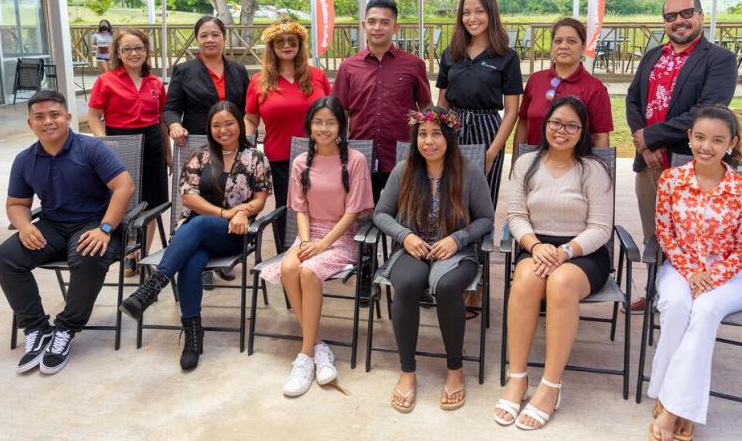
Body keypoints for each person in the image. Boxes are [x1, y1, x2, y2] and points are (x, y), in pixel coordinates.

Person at [119, 101, 271, 371]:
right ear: (209, 128)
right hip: (199, 233)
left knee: (199, 225)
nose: (223, 130)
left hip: (234, 233)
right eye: (216, 125)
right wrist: (224, 213)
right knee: (191, 260)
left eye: (229, 123)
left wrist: (240, 214)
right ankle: (192, 332)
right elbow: (188, 197)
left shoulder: (255, 158)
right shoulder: (199, 156)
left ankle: (155, 284)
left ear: (240, 124)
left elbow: (260, 197)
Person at [0, 90, 135, 374]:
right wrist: (23, 226)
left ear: (68, 118)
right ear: (30, 123)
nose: (48, 121)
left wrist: (106, 228)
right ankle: (36, 327)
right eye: (40, 117)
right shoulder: (24, 159)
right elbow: (17, 203)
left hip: (95, 223)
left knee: (88, 255)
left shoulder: (91, 149)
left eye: (55, 114)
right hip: (53, 226)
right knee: (6, 257)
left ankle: (65, 329)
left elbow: (124, 187)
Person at [494, 96, 613, 430]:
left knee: (560, 282)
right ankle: (516, 377)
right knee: (528, 277)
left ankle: (550, 385)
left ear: (582, 131)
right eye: (555, 123)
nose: (562, 131)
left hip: (583, 252)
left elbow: (601, 228)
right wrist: (534, 246)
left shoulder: (593, 169)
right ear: (544, 125)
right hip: (536, 245)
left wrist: (564, 252)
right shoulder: (525, 164)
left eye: (572, 125)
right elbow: (516, 216)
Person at [373, 107, 494, 413]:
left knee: (447, 287)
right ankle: (407, 371)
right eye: (423, 135)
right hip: (413, 249)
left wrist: (457, 239)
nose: (429, 141)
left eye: (436, 134)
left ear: (450, 137)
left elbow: (486, 219)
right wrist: (405, 236)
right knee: (408, 284)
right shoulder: (404, 170)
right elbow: (380, 214)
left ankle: (455, 369)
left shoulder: (468, 171)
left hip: (456, 252)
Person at [647, 105, 742, 441]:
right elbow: (664, 232)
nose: (706, 146)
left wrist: (713, 276)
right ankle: (677, 402)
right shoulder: (671, 180)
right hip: (681, 268)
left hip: (727, 277)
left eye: (717, 140)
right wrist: (692, 271)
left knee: (706, 310)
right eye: (700, 137)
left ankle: (672, 408)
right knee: (677, 306)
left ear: (732, 143)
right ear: (689, 137)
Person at [626, 0, 737, 314]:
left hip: (691, 164)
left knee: (692, 235)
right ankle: (654, 293)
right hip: (648, 163)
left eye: (686, 13)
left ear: (700, 16)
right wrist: (643, 142)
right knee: (654, 233)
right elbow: (633, 99)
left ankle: (692, 296)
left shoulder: (719, 59)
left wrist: (652, 136)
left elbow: (708, 113)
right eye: (670, 16)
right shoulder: (652, 56)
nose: (678, 21)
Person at [258, 96, 374, 397]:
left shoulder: (355, 161)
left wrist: (322, 245)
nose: (323, 128)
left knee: (308, 273)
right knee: (288, 267)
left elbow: (352, 213)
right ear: (309, 126)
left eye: (330, 122)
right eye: (318, 122)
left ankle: (306, 354)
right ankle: (320, 347)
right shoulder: (301, 162)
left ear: (341, 126)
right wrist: (307, 241)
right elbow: (300, 209)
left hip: (341, 237)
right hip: (309, 235)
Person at [164, 16, 249, 283]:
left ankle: (223, 254)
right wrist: (174, 125)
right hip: (196, 143)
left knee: (231, 196)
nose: (210, 40)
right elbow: (170, 108)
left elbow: (248, 110)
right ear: (197, 39)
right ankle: (198, 260)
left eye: (215, 34)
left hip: (232, 145)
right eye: (203, 35)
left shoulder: (238, 70)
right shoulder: (184, 70)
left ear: (224, 38)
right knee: (200, 198)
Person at [87, 28, 171, 276]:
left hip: (153, 144)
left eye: (139, 48)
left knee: (151, 204)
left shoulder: (156, 82)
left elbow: (162, 121)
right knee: (123, 202)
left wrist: (168, 153)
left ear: (146, 52)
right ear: (119, 53)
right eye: (127, 49)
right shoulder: (106, 81)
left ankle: (141, 255)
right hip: (119, 143)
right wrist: (104, 145)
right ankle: (126, 252)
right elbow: (94, 116)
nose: (134, 53)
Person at [332, 0, 432, 201]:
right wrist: (339, 151)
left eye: (385, 22)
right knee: (362, 218)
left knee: (404, 217)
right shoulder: (348, 67)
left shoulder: (414, 65)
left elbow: (426, 107)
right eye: (372, 21)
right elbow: (338, 112)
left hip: (402, 154)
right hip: (360, 155)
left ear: (395, 27)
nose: (377, 27)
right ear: (363, 25)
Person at [245, 18, 331, 252]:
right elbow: (250, 118)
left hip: (320, 154)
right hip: (280, 156)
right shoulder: (258, 81)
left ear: (300, 45)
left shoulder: (317, 76)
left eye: (291, 41)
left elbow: (333, 112)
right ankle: (287, 251)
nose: (286, 45)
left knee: (321, 205)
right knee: (288, 206)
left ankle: (321, 249)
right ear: (272, 47)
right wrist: (248, 149)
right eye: (280, 41)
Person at [436, 0, 523, 208]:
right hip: (453, 127)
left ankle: (480, 244)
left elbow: (512, 111)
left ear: (491, 13)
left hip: (487, 130)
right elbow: (442, 101)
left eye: (479, 11)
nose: (472, 18)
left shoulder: (506, 56)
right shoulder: (451, 53)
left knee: (482, 199)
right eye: (466, 12)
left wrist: (492, 152)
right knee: (448, 195)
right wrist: (440, 134)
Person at [516, 17, 612, 148]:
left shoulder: (595, 88)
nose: (563, 46)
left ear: (583, 47)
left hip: (576, 164)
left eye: (571, 41)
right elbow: (523, 123)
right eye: (558, 41)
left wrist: (599, 167)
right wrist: (516, 163)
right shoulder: (535, 80)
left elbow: (600, 136)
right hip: (535, 162)